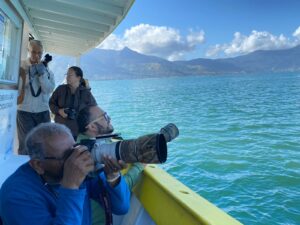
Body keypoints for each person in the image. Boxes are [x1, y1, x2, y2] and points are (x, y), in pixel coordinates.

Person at [0, 123, 130, 225]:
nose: (75, 160)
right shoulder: (15, 196)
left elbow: (120, 208)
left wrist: (113, 177)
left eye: (74, 150)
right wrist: (71, 187)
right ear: (38, 165)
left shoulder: (82, 171)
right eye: (67, 156)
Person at [77, 105, 144, 225]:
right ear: (92, 126)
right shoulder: (88, 158)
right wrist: (139, 167)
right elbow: (118, 201)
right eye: (104, 117)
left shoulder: (82, 145)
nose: (109, 118)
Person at [17, 40, 55, 154]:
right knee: (25, 144)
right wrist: (30, 75)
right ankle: (24, 169)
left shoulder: (47, 70)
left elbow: (48, 89)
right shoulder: (21, 65)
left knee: (44, 143)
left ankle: (40, 169)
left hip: (42, 111)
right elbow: (19, 86)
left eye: (40, 53)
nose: (37, 55)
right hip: (25, 111)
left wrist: (42, 74)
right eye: (34, 52)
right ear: (29, 50)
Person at [49, 66, 97, 139]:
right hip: (60, 131)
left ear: (78, 78)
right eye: (67, 75)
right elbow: (51, 103)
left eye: (70, 75)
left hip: (78, 132)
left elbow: (94, 110)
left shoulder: (86, 93)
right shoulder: (60, 89)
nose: (67, 77)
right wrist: (59, 111)